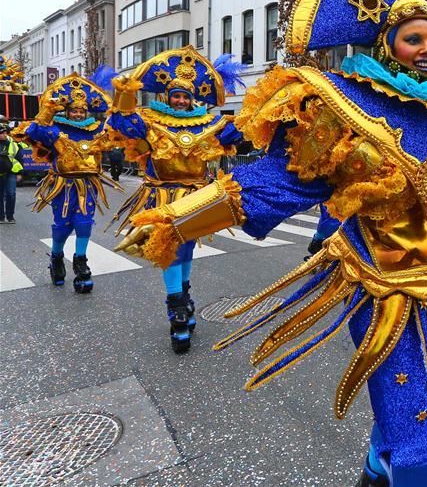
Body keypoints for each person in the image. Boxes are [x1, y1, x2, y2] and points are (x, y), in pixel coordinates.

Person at [115, 0, 427, 486]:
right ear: (385, 42)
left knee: (412, 387)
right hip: (377, 288)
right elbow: (274, 183)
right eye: (413, 38)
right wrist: (178, 220)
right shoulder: (341, 104)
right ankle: (398, 461)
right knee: (422, 435)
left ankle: (376, 467)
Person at [106, 46, 245, 353]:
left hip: (195, 196)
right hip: (162, 195)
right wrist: (124, 94)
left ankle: (183, 294)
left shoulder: (207, 123)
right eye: (176, 95)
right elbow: (120, 123)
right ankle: (177, 307)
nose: (181, 101)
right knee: (169, 248)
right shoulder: (150, 120)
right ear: (167, 96)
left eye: (186, 96)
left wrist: (253, 120)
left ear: (193, 98)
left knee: (185, 249)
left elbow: (235, 136)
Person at [12, 68, 122, 289]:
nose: (79, 114)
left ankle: (81, 264)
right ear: (68, 111)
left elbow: (115, 135)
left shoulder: (96, 129)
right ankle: (56, 257)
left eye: (82, 111)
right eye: (74, 111)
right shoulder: (56, 129)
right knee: (62, 225)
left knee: (84, 224)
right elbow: (34, 132)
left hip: (88, 184)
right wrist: (47, 111)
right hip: (63, 185)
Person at [0, 123, 24, 223]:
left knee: (11, 194)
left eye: (5, 133)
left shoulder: (12, 144)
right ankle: (1, 217)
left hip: (11, 173)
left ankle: (10, 216)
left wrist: (20, 173)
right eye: (2, 133)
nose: (5, 135)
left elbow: (19, 159)